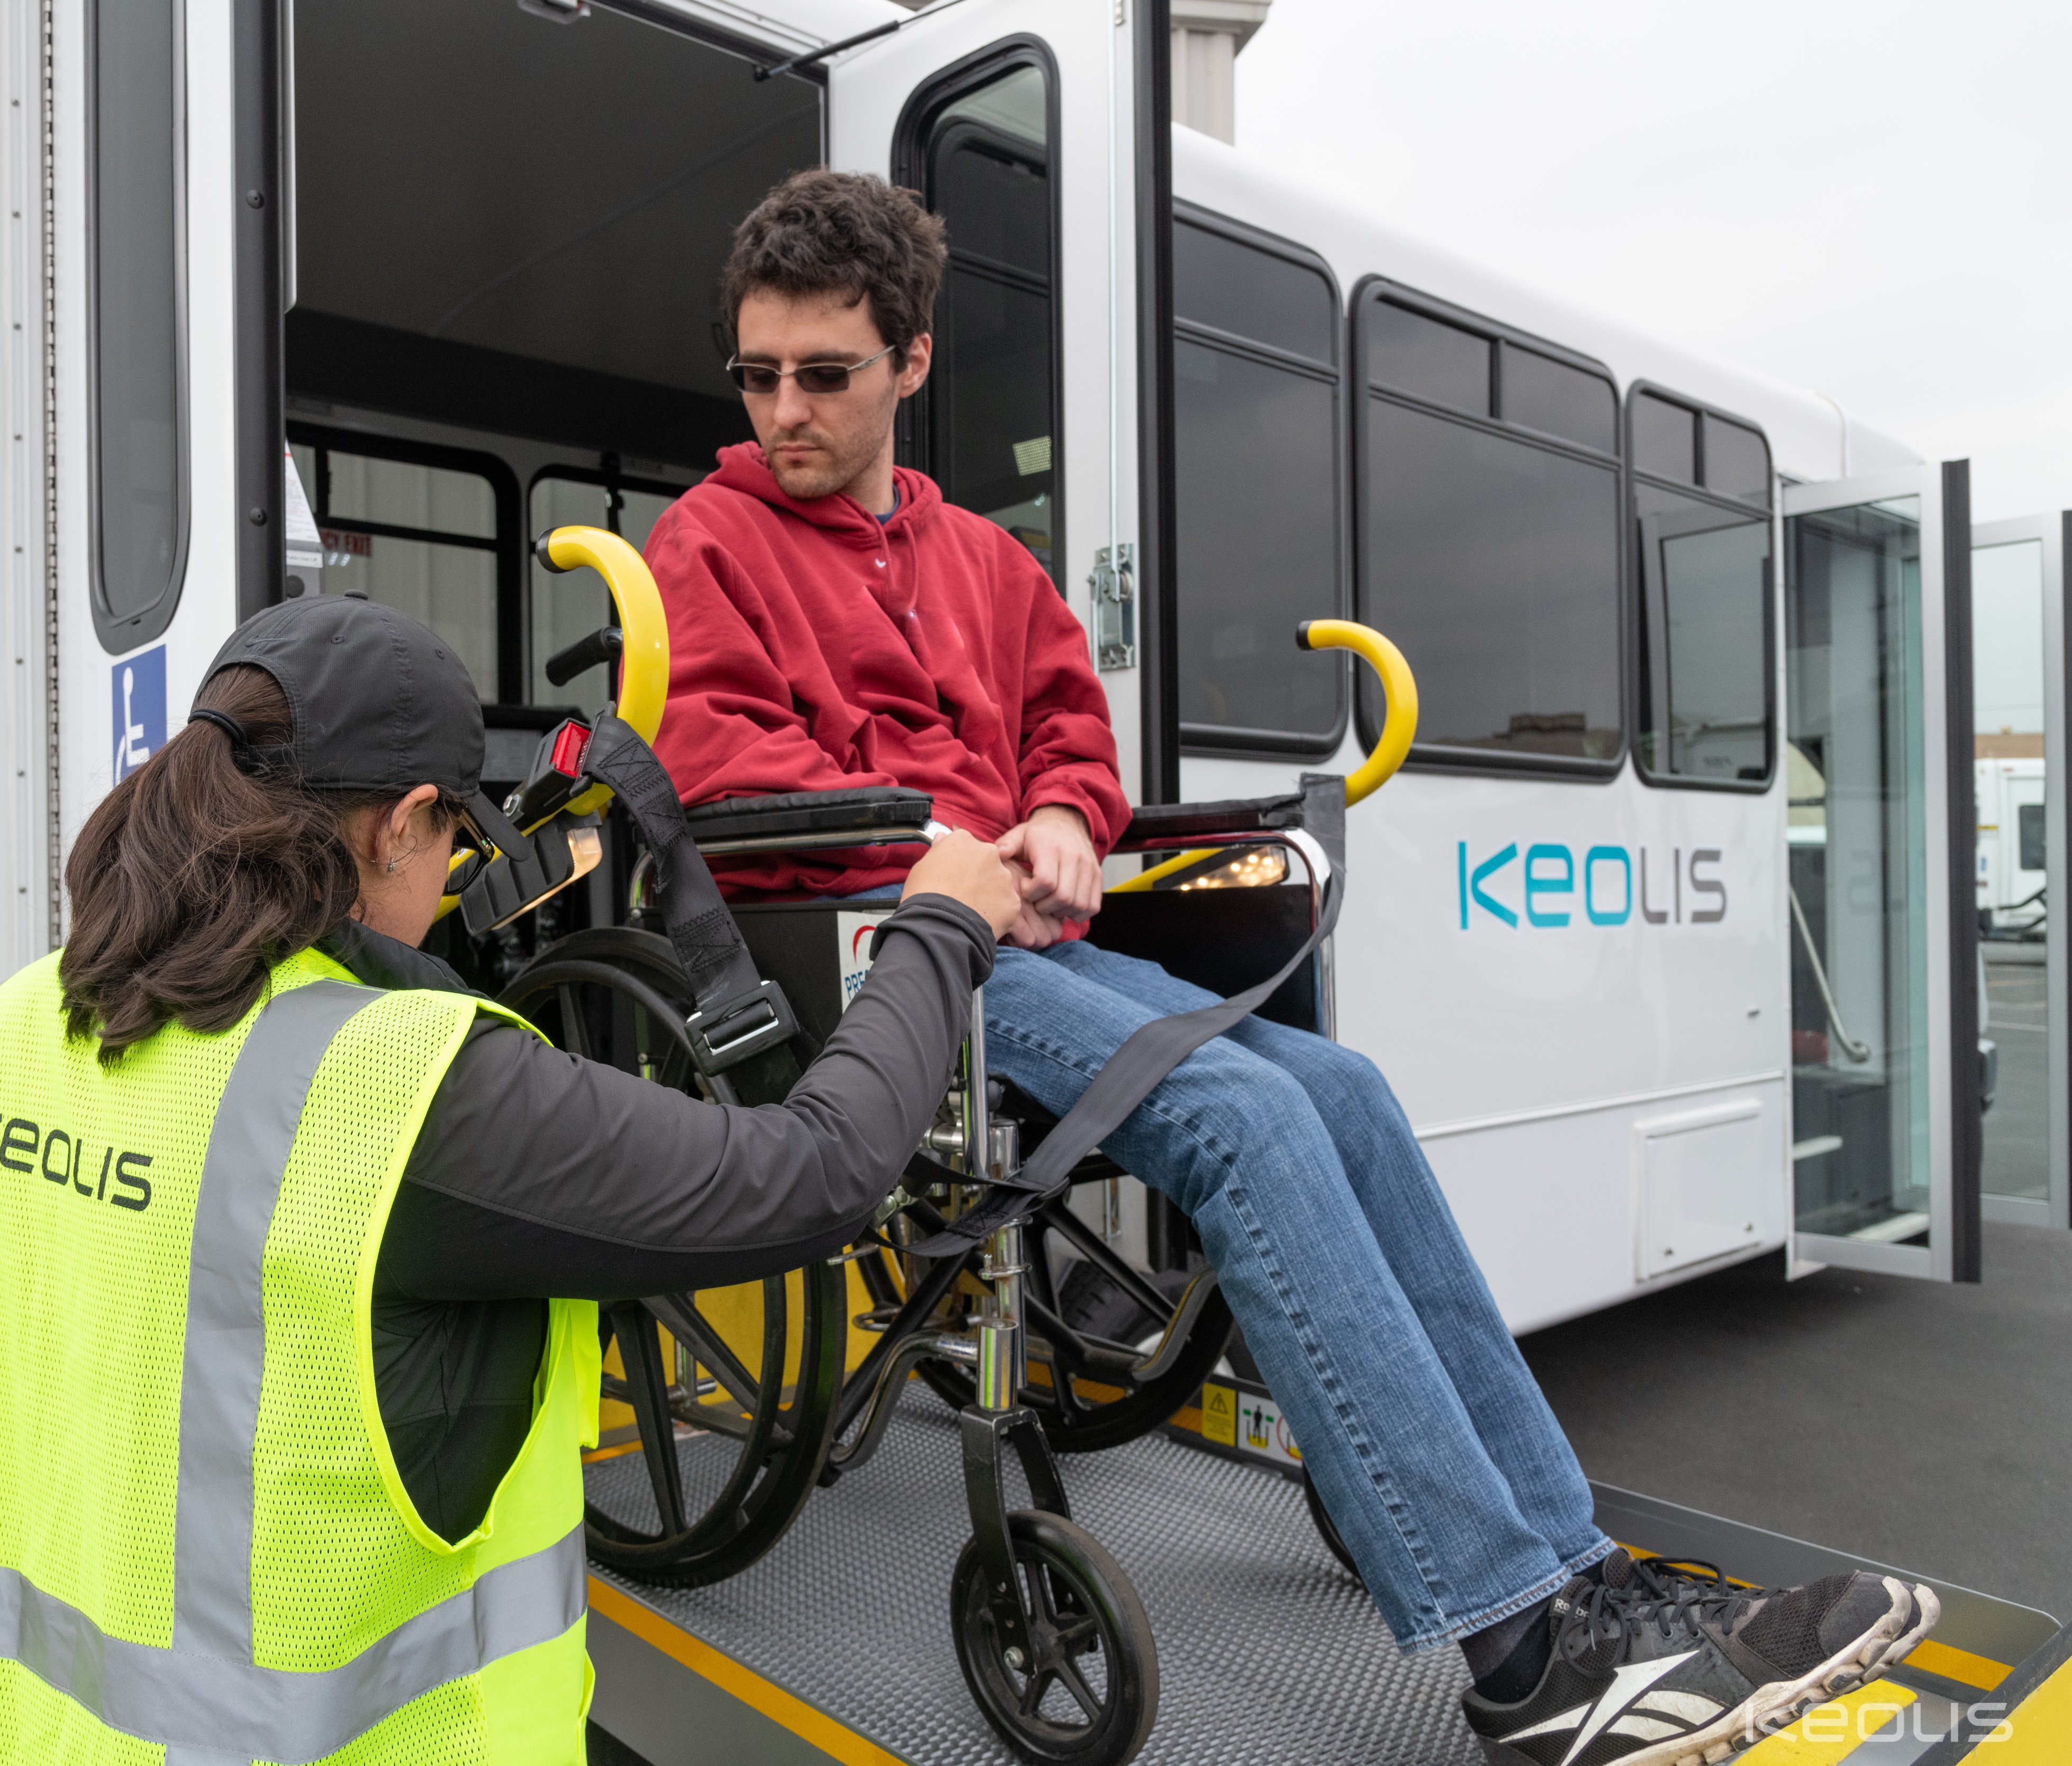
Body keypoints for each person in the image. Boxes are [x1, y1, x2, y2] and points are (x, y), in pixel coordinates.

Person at [645, 168, 1941, 1766]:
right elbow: (709, 761)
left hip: (1037, 935)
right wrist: (939, 845)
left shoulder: (985, 559)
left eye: (823, 375)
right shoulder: (705, 542)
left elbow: (1071, 726)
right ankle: (1525, 1653)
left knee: (1346, 1088)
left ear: (910, 364)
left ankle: (1577, 1573)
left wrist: (1061, 809)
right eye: (758, 375)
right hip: (891, 950)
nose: (784, 410)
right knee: (1242, 1123)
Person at [0, 592, 1023, 1764]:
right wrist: (937, 930)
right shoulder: (392, 1085)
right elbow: (813, 1172)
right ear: (401, 823)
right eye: (454, 841)